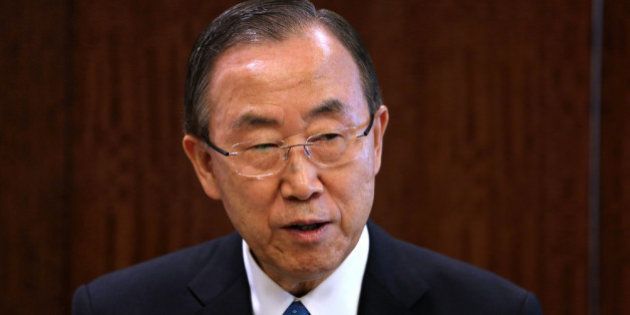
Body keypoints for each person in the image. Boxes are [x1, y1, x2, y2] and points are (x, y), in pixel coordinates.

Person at [72, 1, 543, 314]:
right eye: (262, 146)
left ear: (375, 140)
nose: (302, 184)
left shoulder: (493, 310)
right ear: (205, 164)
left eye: (328, 136)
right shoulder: (117, 308)